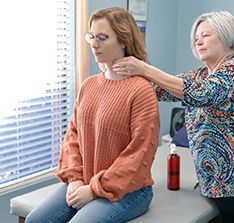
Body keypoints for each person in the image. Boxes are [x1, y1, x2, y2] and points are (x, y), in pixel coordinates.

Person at [112, 11, 234, 223]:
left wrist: (143, 67)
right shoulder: (198, 76)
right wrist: (117, 70)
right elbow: (156, 88)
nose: (198, 40)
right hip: (221, 190)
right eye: (196, 37)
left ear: (226, 36)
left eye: (206, 35)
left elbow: (203, 94)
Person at [25, 7, 160, 223]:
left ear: (124, 40)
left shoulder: (141, 91)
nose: (94, 44)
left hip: (130, 191)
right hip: (85, 181)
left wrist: (94, 189)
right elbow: (73, 136)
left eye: (103, 38)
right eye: (92, 37)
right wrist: (75, 179)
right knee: (35, 221)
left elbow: (138, 154)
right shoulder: (89, 85)